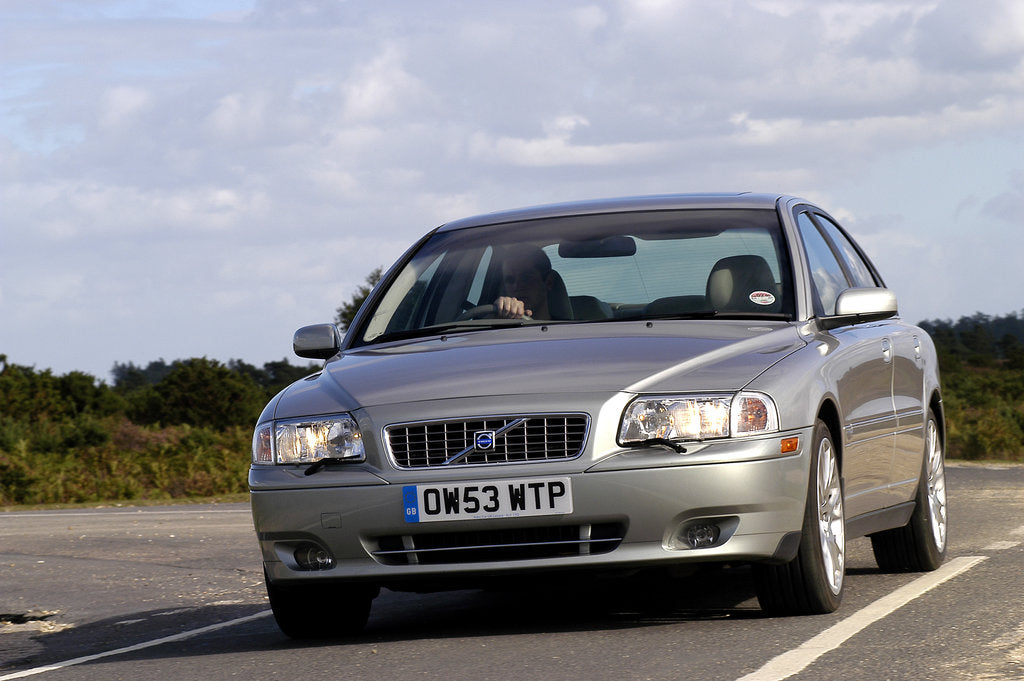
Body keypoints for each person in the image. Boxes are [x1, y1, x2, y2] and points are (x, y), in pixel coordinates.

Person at [494, 245, 556, 319]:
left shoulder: (567, 328)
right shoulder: (498, 327)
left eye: (526, 278)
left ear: (549, 282)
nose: (517, 286)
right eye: (510, 280)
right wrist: (496, 316)